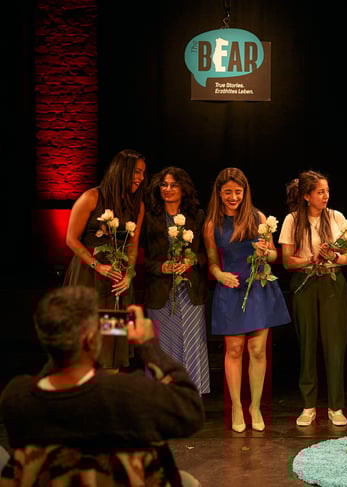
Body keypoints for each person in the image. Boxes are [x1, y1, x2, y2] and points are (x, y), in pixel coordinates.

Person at [0, 285, 204, 487]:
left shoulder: (17, 397)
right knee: (188, 482)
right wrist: (148, 344)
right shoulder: (127, 392)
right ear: (90, 339)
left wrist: (60, 346)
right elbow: (190, 411)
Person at [203, 167, 291, 433]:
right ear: (219, 193)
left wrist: (266, 252)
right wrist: (220, 275)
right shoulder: (212, 224)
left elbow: (275, 256)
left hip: (258, 287)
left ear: (245, 192)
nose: (233, 197)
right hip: (231, 288)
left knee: (258, 350)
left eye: (238, 192)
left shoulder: (258, 217)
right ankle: (236, 407)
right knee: (234, 350)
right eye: (228, 192)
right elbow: (212, 263)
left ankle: (255, 406)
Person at [278, 171, 347, 427]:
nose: (325, 196)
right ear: (307, 196)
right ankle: (309, 405)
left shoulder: (337, 218)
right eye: (320, 192)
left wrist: (332, 257)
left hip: (332, 282)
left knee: (334, 345)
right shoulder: (292, 220)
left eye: (327, 191)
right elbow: (287, 261)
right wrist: (312, 258)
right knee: (307, 344)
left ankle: (336, 406)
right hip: (306, 283)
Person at [64, 148, 147, 369]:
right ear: (122, 171)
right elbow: (71, 239)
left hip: (116, 283)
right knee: (86, 337)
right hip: (88, 278)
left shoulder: (137, 206)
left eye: (142, 173)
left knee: (111, 340)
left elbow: (133, 245)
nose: (140, 178)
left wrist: (129, 275)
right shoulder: (91, 197)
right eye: (137, 172)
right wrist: (97, 265)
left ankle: (108, 392)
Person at [142, 166, 210, 395]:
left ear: (183, 188)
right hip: (160, 293)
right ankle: (162, 397)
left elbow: (207, 256)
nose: (168, 189)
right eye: (164, 185)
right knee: (163, 346)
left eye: (173, 185)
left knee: (192, 344)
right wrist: (162, 266)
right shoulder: (149, 217)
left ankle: (191, 396)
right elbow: (139, 259)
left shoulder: (197, 216)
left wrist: (192, 262)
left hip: (190, 292)